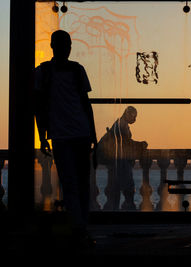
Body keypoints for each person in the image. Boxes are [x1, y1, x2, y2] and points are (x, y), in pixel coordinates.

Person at [34, 30, 97, 248]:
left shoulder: (44, 72)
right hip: (76, 133)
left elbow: (39, 108)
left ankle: (79, 227)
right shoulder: (75, 70)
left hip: (64, 135)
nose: (67, 47)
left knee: (71, 183)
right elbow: (86, 105)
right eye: (66, 44)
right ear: (57, 46)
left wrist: (42, 136)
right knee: (79, 183)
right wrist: (93, 135)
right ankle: (81, 228)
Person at [102, 106, 148, 210]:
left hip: (120, 161)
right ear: (127, 114)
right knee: (127, 188)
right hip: (120, 162)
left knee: (117, 190)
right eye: (133, 117)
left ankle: (119, 211)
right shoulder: (121, 125)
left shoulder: (121, 124)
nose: (135, 120)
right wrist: (140, 145)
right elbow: (125, 143)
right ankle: (127, 210)